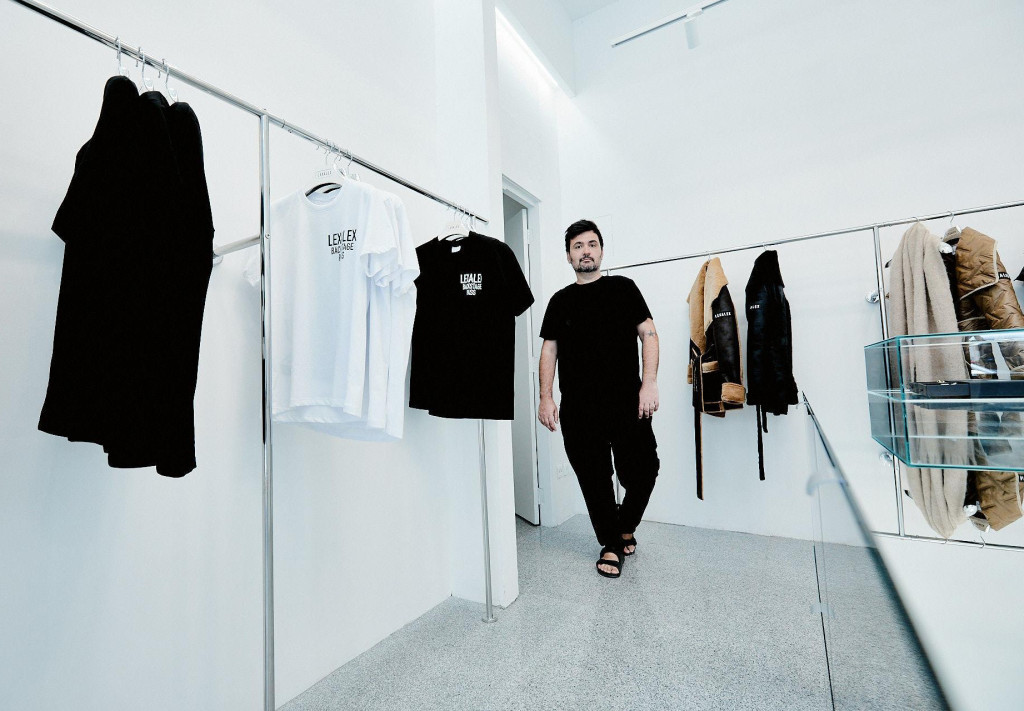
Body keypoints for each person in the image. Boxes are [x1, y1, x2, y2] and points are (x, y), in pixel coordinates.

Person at [538, 219, 660, 579]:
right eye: (578, 246)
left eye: (592, 244)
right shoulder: (560, 301)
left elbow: (649, 335)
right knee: (595, 480)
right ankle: (610, 543)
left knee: (644, 471)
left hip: (628, 401)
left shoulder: (624, 288)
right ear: (568, 256)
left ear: (601, 251)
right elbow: (549, 351)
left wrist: (649, 383)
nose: (586, 251)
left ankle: (624, 527)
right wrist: (545, 397)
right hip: (579, 408)